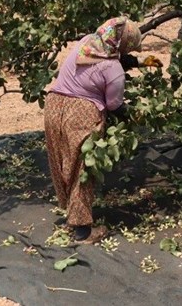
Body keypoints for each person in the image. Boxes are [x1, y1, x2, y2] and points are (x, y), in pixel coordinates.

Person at [44, 16, 142, 245]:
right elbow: (114, 105)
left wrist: (138, 62)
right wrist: (134, 117)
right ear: (122, 45)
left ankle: (72, 215)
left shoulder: (88, 43)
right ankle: (83, 231)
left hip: (54, 107)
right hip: (81, 114)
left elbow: (104, 61)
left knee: (63, 163)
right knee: (82, 169)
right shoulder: (114, 69)